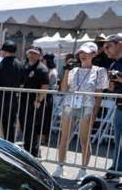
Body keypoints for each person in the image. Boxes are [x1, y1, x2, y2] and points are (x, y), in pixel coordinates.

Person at [52, 42, 107, 180]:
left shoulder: (100, 71)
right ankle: (60, 166)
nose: (83, 54)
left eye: (87, 52)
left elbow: (99, 94)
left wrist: (95, 112)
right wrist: (66, 70)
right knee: (64, 137)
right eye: (81, 52)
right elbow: (63, 89)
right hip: (69, 105)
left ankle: (83, 169)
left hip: (87, 107)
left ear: (94, 54)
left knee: (84, 139)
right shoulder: (73, 70)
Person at [0, 40, 24, 142]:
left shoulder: (1, 65)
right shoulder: (20, 65)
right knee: (9, 127)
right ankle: (9, 152)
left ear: (4, 51)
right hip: (13, 99)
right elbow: (22, 83)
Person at [18, 46, 50, 157]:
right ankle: (27, 150)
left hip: (35, 103)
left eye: (35, 53)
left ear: (39, 55)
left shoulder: (42, 69)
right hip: (23, 101)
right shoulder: (24, 66)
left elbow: (45, 86)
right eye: (30, 53)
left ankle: (34, 153)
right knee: (24, 126)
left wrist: (39, 100)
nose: (32, 55)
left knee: (32, 128)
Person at [103, 34, 122, 182]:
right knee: (118, 140)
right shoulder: (113, 64)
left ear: (119, 45)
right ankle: (116, 170)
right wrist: (108, 78)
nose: (105, 49)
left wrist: (119, 76)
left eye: (109, 46)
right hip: (119, 106)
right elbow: (111, 88)